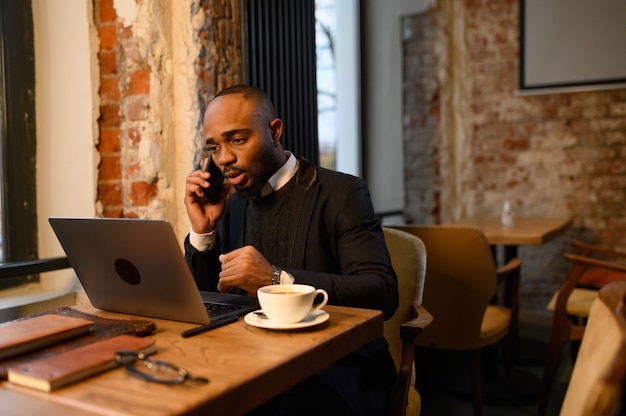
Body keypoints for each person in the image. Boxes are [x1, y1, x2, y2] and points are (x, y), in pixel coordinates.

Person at [184, 84, 399, 415]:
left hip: (334, 369)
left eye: (238, 140)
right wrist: (205, 231)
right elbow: (208, 297)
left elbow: (382, 291)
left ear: (275, 131)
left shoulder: (342, 192)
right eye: (214, 147)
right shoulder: (231, 202)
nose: (224, 158)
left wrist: (274, 279)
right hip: (250, 361)